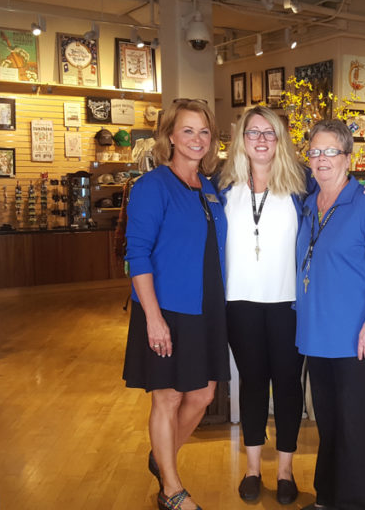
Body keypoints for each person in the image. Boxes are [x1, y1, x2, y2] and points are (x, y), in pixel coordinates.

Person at [218, 107, 365, 505]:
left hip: (289, 306)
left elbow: (339, 181)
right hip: (239, 302)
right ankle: (254, 468)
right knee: (253, 384)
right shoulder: (220, 188)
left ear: (281, 141)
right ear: (241, 139)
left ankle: (286, 472)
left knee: (290, 388)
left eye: (270, 133)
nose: (261, 139)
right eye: (253, 132)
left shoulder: (300, 186)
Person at [123, 99, 228, 510]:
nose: (197, 139)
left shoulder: (212, 187)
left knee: (202, 394)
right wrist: (152, 318)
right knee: (166, 397)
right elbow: (138, 253)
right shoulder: (153, 186)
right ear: (170, 135)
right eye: (188, 131)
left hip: (207, 308)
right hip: (166, 309)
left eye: (204, 132)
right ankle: (171, 488)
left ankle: (161, 457)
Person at [295, 119, 365, 510]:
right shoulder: (310, 203)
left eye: (331, 152)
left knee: (352, 422)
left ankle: (356, 503)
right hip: (317, 333)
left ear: (348, 157)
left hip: (356, 336)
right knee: (327, 419)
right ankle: (327, 498)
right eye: (315, 152)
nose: (321, 160)